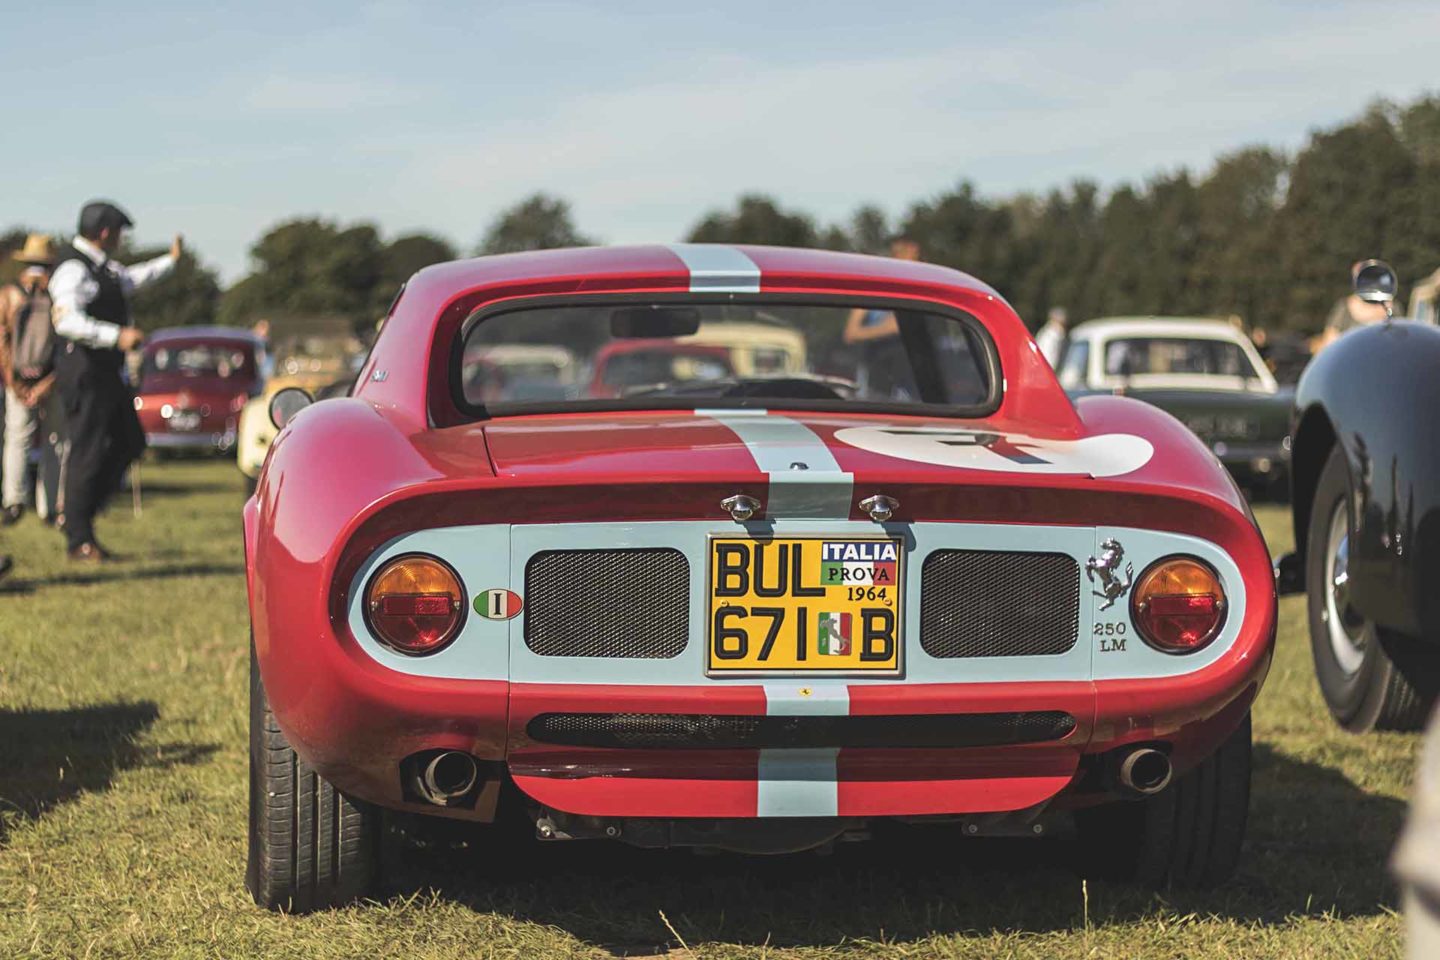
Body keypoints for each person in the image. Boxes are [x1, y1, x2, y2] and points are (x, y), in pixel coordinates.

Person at [49, 200, 181, 561]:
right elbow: (66, 321)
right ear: (105, 232)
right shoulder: (73, 270)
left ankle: (82, 511)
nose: (122, 239)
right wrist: (115, 336)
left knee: (129, 441)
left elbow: (133, 278)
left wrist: (170, 261)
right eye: (120, 232)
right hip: (85, 371)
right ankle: (78, 533)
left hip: (104, 373)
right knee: (88, 451)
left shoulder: (101, 268)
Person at [0, 234, 58, 524]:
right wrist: (47, 383)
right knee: (54, 441)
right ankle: (50, 506)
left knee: (17, 439)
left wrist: (14, 382)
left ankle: (14, 500)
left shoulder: (10, 294)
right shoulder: (56, 294)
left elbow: (3, 341)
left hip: (19, 379)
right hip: (50, 380)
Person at [843, 236, 922, 399]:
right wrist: (886, 329)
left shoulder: (920, 295)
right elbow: (851, 333)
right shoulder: (873, 290)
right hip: (876, 372)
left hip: (910, 374)